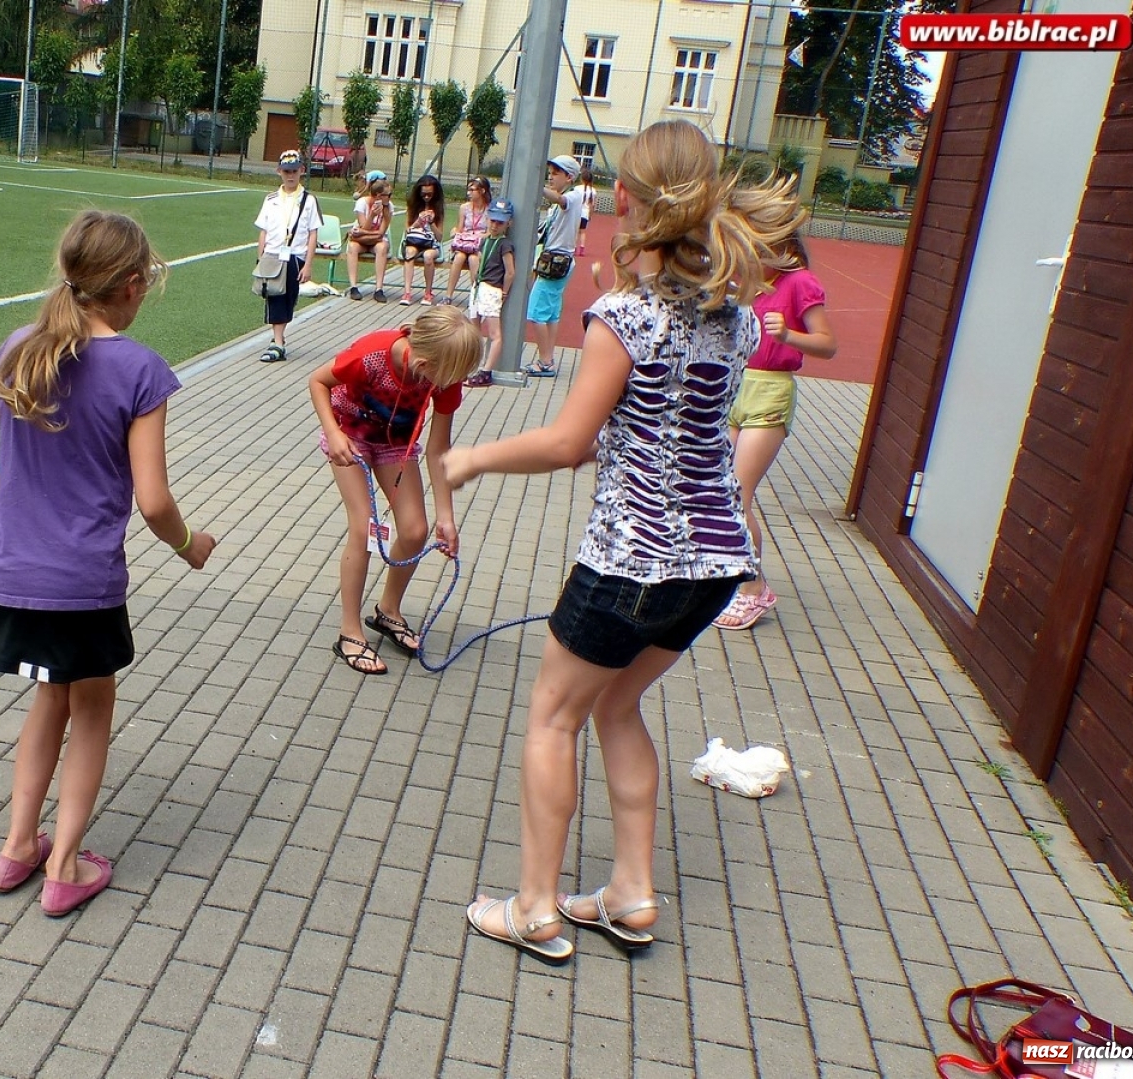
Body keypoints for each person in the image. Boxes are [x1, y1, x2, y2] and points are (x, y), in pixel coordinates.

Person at [438, 120, 804, 961]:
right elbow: (670, 423)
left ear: (628, 201)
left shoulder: (624, 318)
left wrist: (473, 458)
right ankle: (630, 894)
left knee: (552, 719)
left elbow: (569, 441)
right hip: (714, 568)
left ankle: (534, 906)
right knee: (618, 703)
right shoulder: (735, 320)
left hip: (631, 564)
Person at [0, 210, 217, 916]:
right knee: (90, 706)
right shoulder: (140, 369)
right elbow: (154, 502)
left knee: (48, 696)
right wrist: (192, 545)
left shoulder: (20, 346)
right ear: (128, 285)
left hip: (14, 573)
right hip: (84, 582)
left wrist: (9, 500)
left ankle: (15, 846)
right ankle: (64, 863)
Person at [311, 305, 483, 675]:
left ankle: (387, 611)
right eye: (448, 377)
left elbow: (439, 449)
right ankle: (350, 631)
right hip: (351, 439)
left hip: (395, 447)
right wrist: (333, 431)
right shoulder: (371, 355)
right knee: (364, 528)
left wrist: (447, 517)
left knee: (415, 530)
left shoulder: (444, 376)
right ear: (423, 364)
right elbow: (318, 381)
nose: (451, 384)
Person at [713, 233, 837, 631]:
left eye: (755, 251)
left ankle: (755, 588)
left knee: (737, 494)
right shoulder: (751, 282)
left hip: (770, 391)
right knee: (716, 488)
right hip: (737, 385)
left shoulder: (799, 282)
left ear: (782, 249)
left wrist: (787, 335)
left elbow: (827, 344)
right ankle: (723, 574)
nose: (747, 259)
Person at [253, 149, 322, 363]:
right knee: (274, 296)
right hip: (272, 255)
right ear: (279, 172)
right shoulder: (271, 199)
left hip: (294, 256)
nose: (290, 175)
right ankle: (277, 342)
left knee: (288, 297)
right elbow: (263, 231)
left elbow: (313, 233)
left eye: (294, 171)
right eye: (286, 171)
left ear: (302, 170)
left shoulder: (308, 200)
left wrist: (308, 264)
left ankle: (279, 339)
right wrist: (260, 257)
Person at [521, 154, 584, 378]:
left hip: (557, 260)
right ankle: (548, 358)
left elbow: (560, 200)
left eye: (555, 173)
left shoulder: (574, 196)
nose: (551, 176)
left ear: (569, 177)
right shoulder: (564, 200)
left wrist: (535, 185)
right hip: (554, 258)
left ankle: (545, 361)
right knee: (551, 314)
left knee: (537, 311)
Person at [461, 198, 516, 388]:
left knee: (495, 334)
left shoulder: (504, 244)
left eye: (500, 222)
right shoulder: (485, 241)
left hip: (492, 288)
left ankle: (486, 371)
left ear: (508, 223)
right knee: (473, 330)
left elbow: (510, 272)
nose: (495, 225)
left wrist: (505, 292)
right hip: (479, 287)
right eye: (492, 220)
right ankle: (471, 367)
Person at [399, 175, 446, 306]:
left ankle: (428, 292)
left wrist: (431, 223)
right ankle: (407, 292)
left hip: (431, 244)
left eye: (430, 194)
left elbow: (440, 237)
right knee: (409, 252)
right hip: (415, 240)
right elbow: (407, 230)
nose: (426, 197)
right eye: (424, 194)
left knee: (428, 256)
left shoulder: (438, 209)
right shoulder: (413, 206)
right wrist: (418, 222)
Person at [346, 173, 394, 303]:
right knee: (352, 246)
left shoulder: (389, 207)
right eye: (388, 195)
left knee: (382, 247)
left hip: (375, 241)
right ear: (379, 196)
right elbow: (365, 227)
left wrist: (361, 232)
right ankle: (353, 287)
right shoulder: (362, 203)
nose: (390, 198)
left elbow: (381, 232)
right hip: (362, 241)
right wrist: (372, 215)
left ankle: (379, 289)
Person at [445, 177, 493, 304]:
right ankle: (448, 295)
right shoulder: (464, 208)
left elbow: (489, 232)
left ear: (482, 191)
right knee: (459, 257)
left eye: (472, 190)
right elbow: (460, 228)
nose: (469, 193)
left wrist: (476, 237)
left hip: (478, 244)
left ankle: (474, 295)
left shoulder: (489, 209)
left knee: (473, 259)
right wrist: (455, 232)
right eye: (469, 189)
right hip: (465, 243)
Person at [572, 166, 598, 256]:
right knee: (583, 232)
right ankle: (582, 248)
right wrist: (590, 215)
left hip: (577, 213)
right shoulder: (593, 191)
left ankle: (574, 248)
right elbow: (592, 205)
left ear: (581, 178)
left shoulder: (577, 188)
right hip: (585, 214)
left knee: (575, 231)